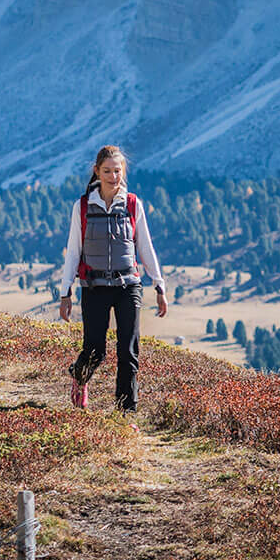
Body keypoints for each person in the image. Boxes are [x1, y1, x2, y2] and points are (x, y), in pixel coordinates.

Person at [57, 145, 167, 411]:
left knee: (128, 352)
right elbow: (73, 250)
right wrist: (65, 292)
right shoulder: (82, 206)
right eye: (107, 171)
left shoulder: (132, 204)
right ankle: (79, 377)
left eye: (117, 171)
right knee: (95, 350)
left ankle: (125, 412)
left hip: (128, 285)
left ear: (123, 172)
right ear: (97, 172)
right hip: (94, 286)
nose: (113, 176)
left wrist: (159, 284)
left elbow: (145, 246)